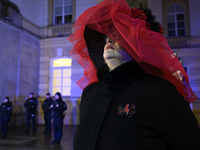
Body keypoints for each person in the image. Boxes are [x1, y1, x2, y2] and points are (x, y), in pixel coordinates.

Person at [68, 0, 200, 149]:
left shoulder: (160, 93)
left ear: (138, 46)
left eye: (118, 35)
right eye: (106, 38)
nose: (109, 40)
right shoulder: (90, 93)